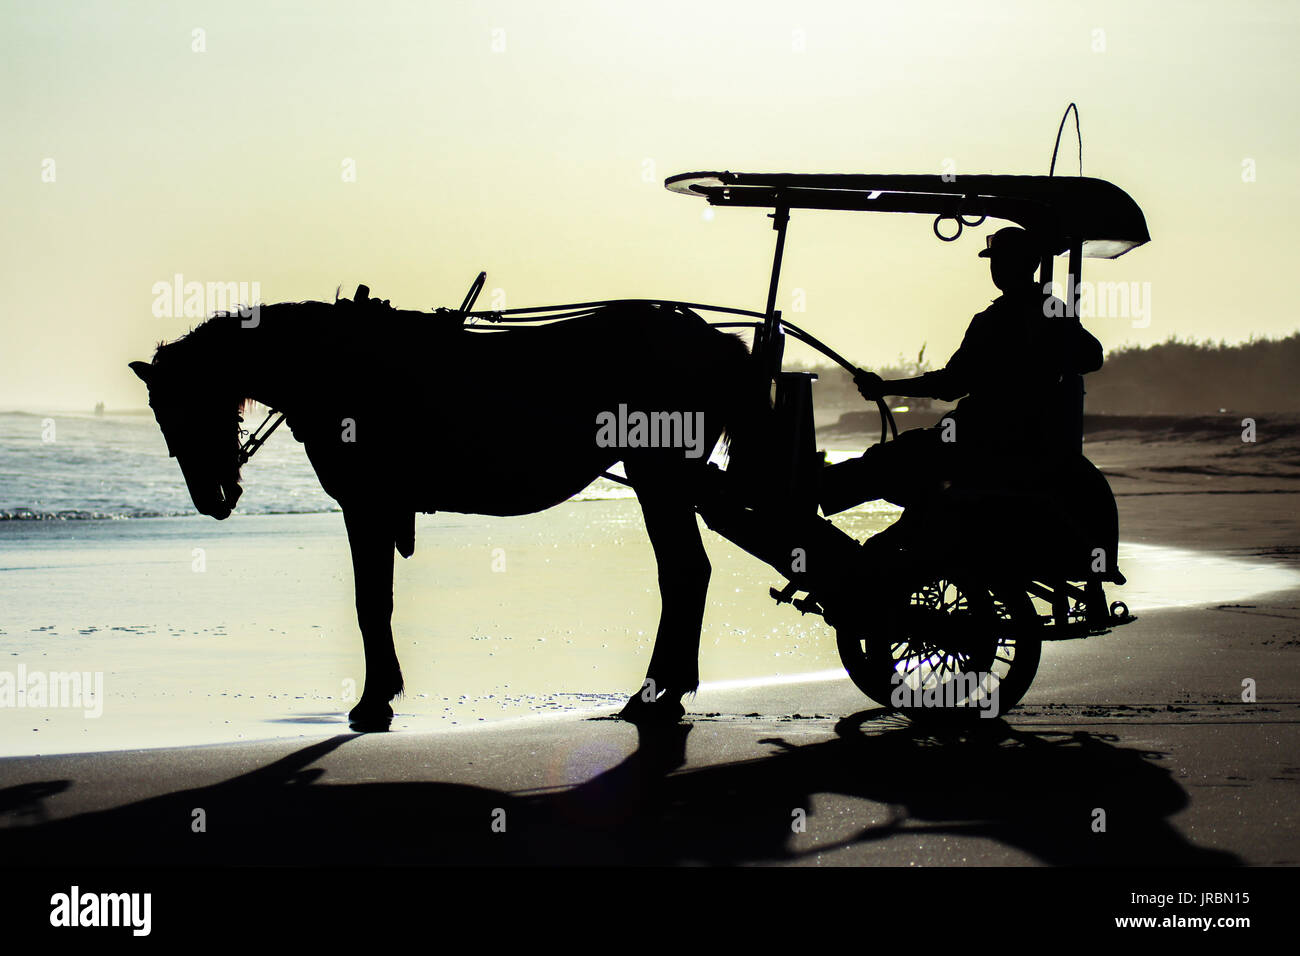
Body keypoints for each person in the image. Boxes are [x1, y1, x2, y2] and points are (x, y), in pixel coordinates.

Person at [819, 226, 1104, 521]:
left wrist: (885, 387)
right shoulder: (1052, 312)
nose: (996, 269)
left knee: (888, 461)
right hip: (1009, 440)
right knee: (900, 464)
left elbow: (951, 384)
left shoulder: (996, 320)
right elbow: (1091, 358)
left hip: (980, 441)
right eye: (995, 261)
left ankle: (807, 494)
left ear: (1026, 264)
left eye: (1002, 261)